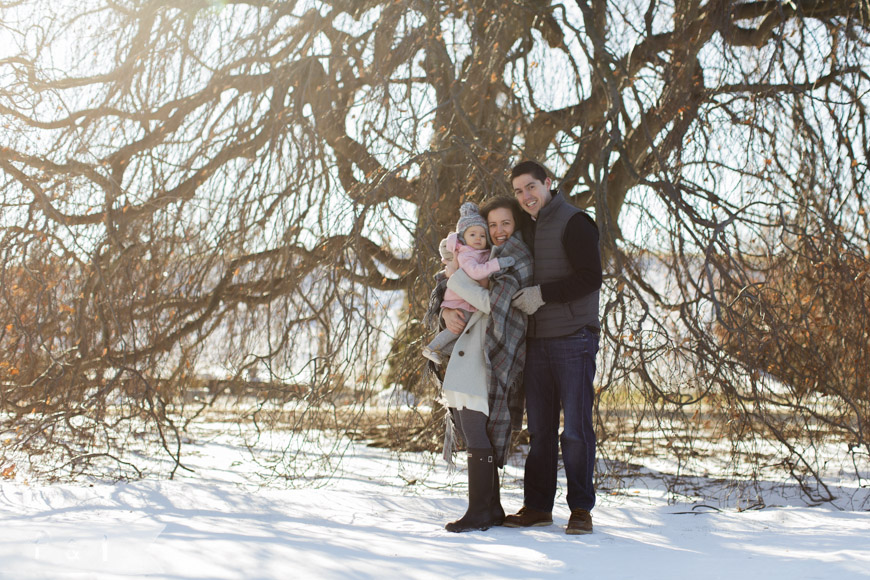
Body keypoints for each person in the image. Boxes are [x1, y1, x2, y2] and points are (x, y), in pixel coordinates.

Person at [503, 160, 603, 536]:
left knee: (575, 429)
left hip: (574, 338)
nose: (526, 196)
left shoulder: (575, 221)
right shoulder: (527, 226)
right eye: (519, 191)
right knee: (540, 430)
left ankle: (580, 509)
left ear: (548, 183)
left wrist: (542, 295)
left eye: (531, 187)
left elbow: (591, 278)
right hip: (536, 341)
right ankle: (537, 507)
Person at [424, 197, 533, 533]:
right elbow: (442, 298)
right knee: (476, 432)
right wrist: (445, 311)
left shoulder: (515, 260)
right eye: (493, 225)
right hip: (467, 354)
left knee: (475, 434)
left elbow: (493, 305)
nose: (498, 231)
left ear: (516, 226)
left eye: (506, 224)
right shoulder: (482, 258)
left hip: (486, 358)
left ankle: (478, 511)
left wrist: (458, 281)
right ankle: (492, 507)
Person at [422, 202, 515, 365]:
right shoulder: (465, 254)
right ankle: (433, 347)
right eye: (472, 235)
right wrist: (497, 264)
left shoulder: (481, 252)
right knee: (457, 327)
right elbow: (475, 272)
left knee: (462, 330)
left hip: (469, 302)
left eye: (482, 235)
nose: (478, 239)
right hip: (459, 301)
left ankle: (442, 350)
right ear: (463, 238)